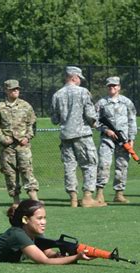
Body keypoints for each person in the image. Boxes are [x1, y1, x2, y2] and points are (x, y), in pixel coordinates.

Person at [51, 66, 106, 208]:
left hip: (65, 135)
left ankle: (73, 199)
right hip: (82, 134)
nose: (80, 81)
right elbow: (90, 115)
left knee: (69, 166)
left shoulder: (57, 95)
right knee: (89, 164)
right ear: (74, 77)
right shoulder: (83, 92)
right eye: (79, 79)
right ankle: (88, 198)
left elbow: (55, 119)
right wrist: (95, 123)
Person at [0, 79, 39, 206]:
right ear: (6, 90)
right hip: (8, 147)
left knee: (27, 170)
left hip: (23, 146)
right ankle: (16, 201)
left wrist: (27, 137)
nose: (16, 91)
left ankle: (34, 199)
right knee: (10, 173)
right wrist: (3, 139)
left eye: (17, 89)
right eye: (13, 89)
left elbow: (32, 124)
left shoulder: (26, 106)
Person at [95, 76, 137, 204]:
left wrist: (131, 138)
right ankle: (100, 193)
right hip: (107, 139)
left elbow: (132, 120)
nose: (112, 88)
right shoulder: (101, 103)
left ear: (119, 87)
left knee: (122, 165)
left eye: (114, 85)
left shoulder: (127, 102)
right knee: (103, 164)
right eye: (109, 86)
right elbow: (94, 120)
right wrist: (105, 130)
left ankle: (119, 193)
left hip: (123, 139)